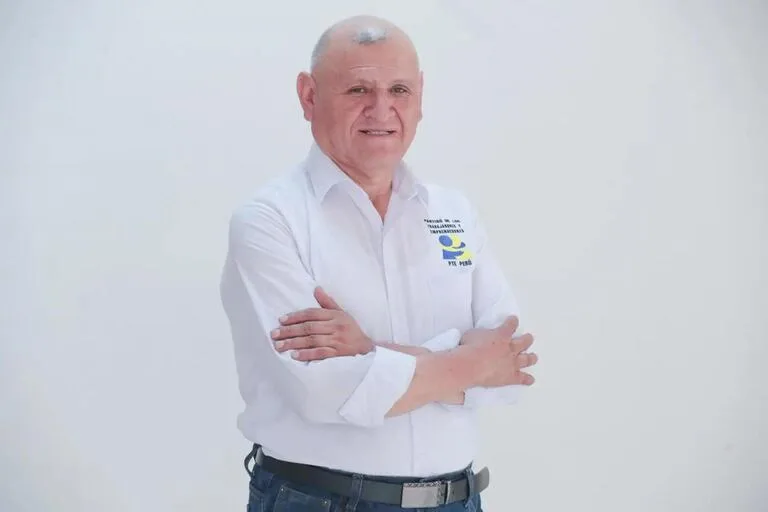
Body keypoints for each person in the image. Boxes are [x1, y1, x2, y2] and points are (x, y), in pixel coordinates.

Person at [220, 15, 538, 512]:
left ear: (420, 97)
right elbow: (326, 392)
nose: (382, 109)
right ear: (308, 95)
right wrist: (471, 364)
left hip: (458, 501)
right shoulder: (269, 221)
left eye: (399, 90)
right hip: (322, 502)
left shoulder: (453, 213)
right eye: (358, 90)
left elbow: (511, 368)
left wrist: (370, 351)